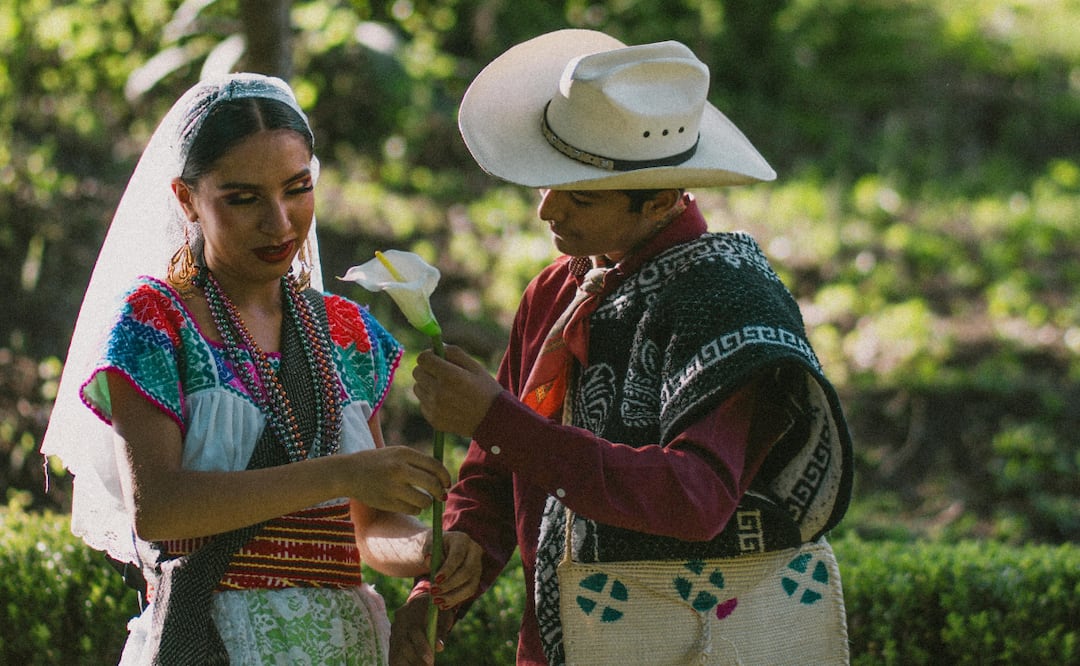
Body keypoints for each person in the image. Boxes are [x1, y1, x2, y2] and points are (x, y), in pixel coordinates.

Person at [393, 30, 854, 665]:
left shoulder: (729, 300)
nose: (547, 210)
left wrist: (493, 416)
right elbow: (498, 471)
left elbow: (695, 498)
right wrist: (442, 583)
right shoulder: (557, 291)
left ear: (662, 197)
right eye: (550, 183)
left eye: (579, 195)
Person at [39, 73, 481, 665]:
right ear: (186, 198)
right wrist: (342, 473)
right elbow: (161, 509)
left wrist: (431, 547)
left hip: (341, 644)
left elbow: (368, 527)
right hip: (211, 641)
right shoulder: (159, 323)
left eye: (297, 189)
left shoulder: (344, 333)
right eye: (243, 198)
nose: (280, 223)